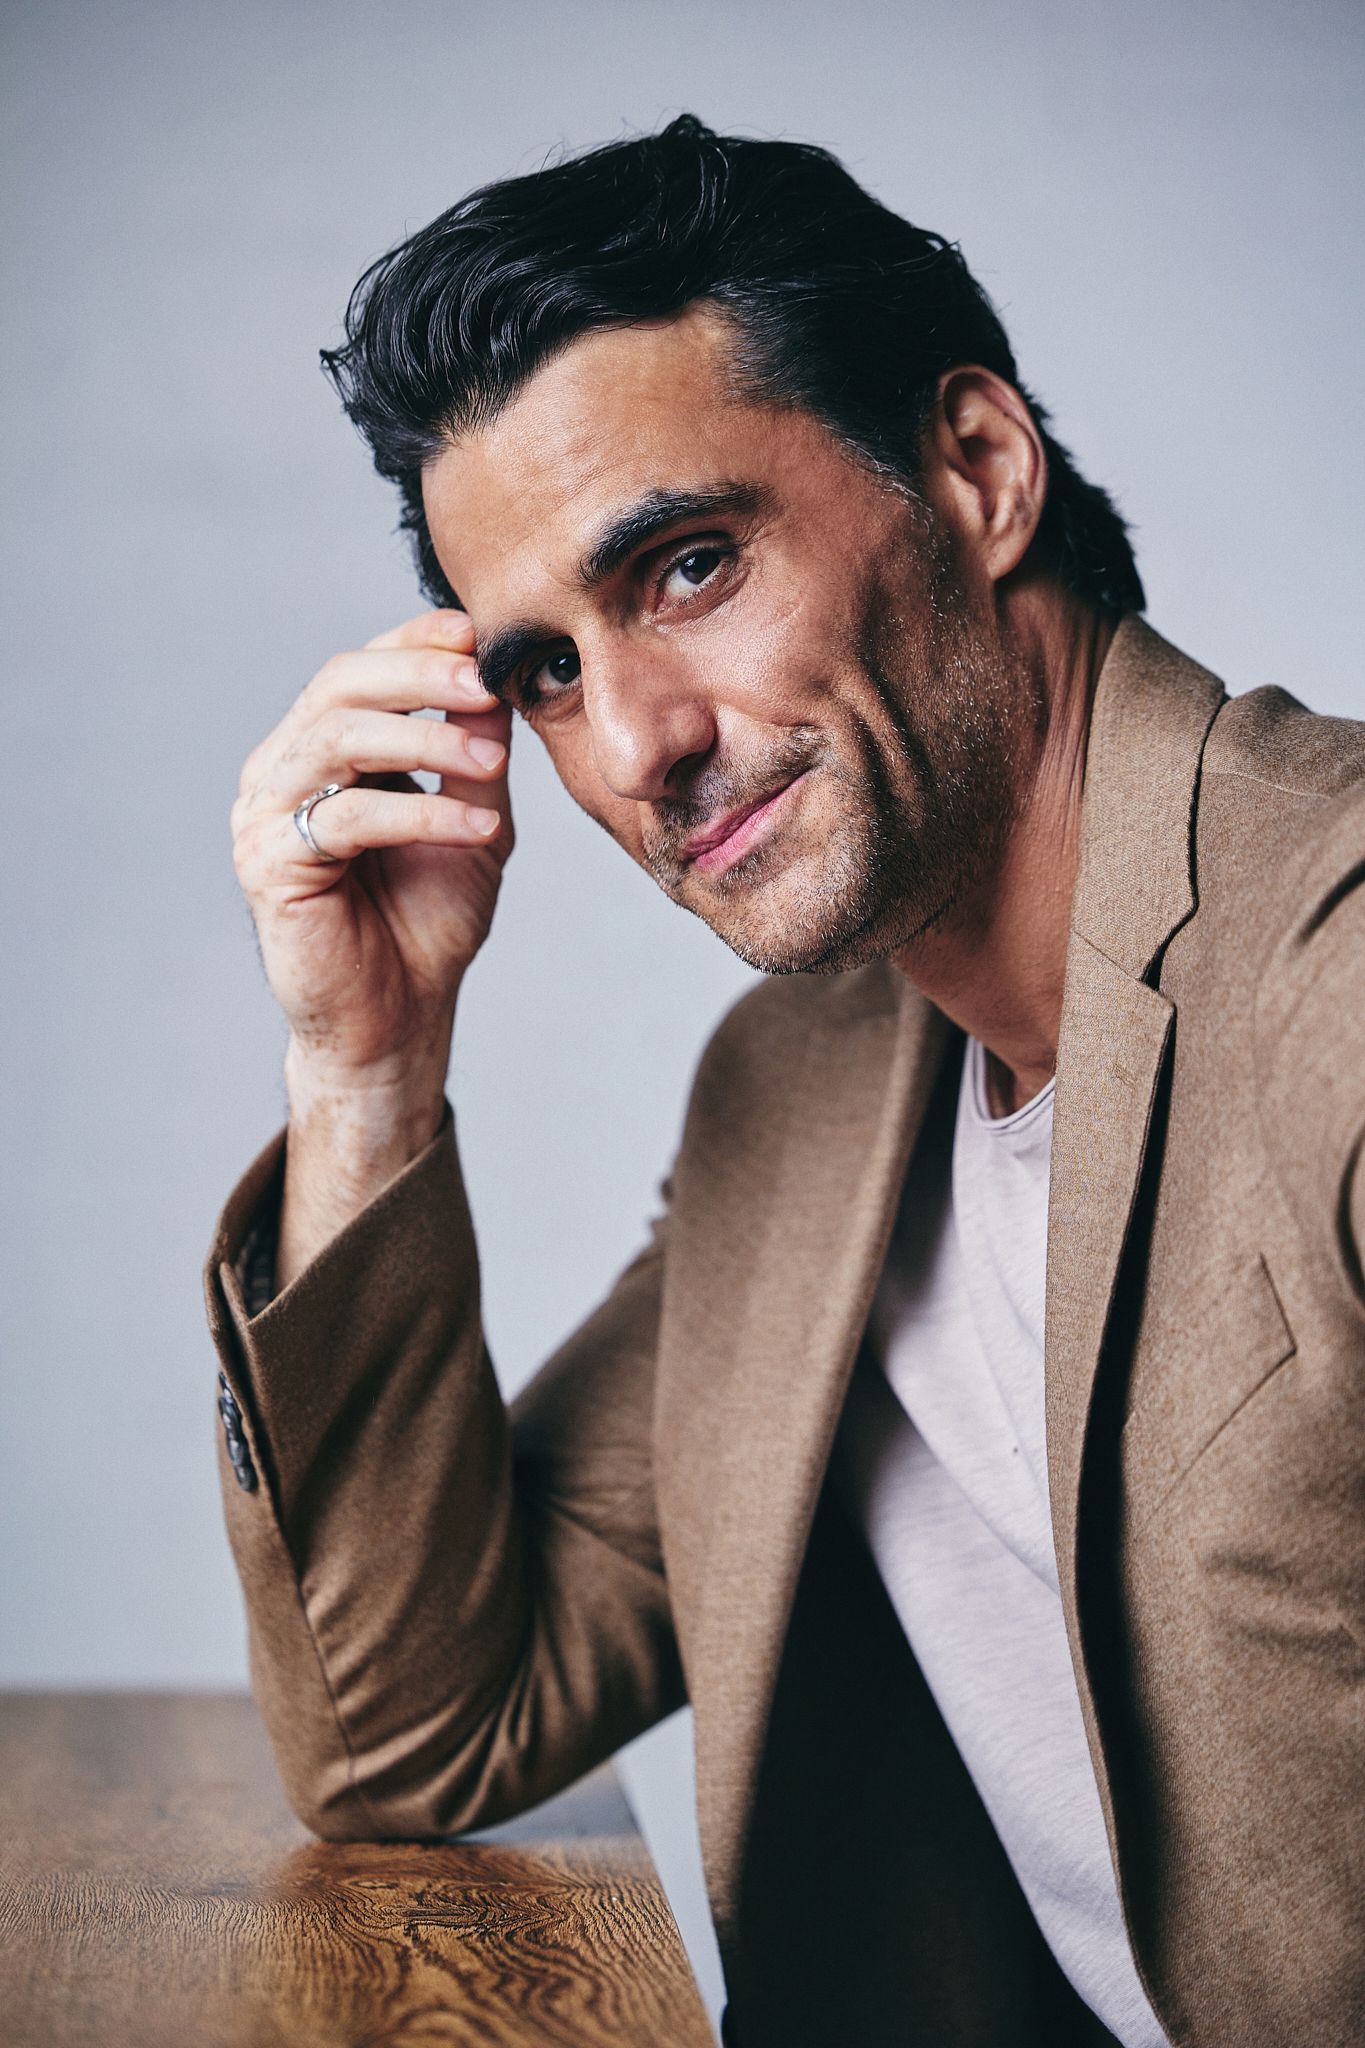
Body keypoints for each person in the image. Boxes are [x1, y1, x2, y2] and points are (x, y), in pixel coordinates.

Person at [204, 117, 1364, 2048]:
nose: (634, 745)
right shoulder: (804, 1096)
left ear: (976, 470)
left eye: (688, 566)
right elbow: (414, 1729)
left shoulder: (1335, 973)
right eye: (544, 670)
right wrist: (365, 1070)